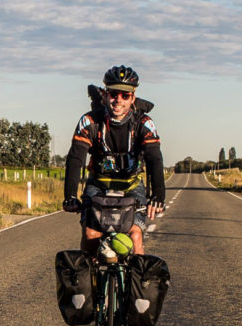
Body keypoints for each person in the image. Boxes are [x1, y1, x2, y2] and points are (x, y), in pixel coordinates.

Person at [62, 65, 165, 255]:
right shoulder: (89, 122)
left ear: (133, 98)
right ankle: (90, 272)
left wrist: (158, 196)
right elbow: (76, 158)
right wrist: (70, 195)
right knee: (91, 234)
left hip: (131, 186)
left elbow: (155, 159)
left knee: (135, 236)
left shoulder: (144, 123)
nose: (118, 100)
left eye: (125, 95)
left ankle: (136, 274)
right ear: (105, 95)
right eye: (113, 94)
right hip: (98, 186)